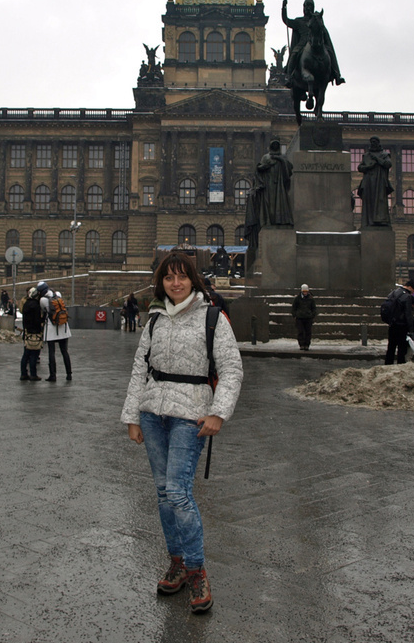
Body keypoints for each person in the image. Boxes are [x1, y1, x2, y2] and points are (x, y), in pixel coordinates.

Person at [121, 252, 243, 614]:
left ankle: (196, 568)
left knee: (178, 491)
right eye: (169, 278)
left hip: (190, 414)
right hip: (152, 414)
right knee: (162, 494)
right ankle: (176, 561)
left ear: (193, 280)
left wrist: (218, 413)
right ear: (162, 283)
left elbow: (232, 369)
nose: (176, 283)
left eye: (182, 277)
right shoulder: (154, 319)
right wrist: (132, 416)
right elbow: (138, 369)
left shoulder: (212, 317)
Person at [282, 0, 344, 90]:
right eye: (306, 6)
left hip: (317, 44)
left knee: (330, 52)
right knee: (294, 54)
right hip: (302, 44)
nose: (307, 8)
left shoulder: (317, 20)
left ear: (313, 7)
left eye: (310, 6)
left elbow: (324, 34)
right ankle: (289, 77)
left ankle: (337, 75)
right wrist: (284, 7)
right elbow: (286, 20)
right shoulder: (299, 21)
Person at [38, 281, 72, 381]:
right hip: (63, 327)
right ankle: (69, 374)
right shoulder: (58, 295)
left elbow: (44, 311)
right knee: (64, 351)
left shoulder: (43, 300)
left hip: (52, 329)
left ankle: (53, 375)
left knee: (51, 353)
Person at [357, 137, 394, 227]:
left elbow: (388, 164)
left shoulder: (385, 154)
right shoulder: (366, 155)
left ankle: (381, 221)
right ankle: (368, 222)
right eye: (371, 142)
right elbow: (360, 167)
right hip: (368, 181)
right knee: (368, 201)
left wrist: (378, 160)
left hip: (379, 182)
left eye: (375, 142)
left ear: (378, 143)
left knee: (380, 201)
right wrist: (368, 167)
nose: (373, 143)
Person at [385, 279, 414, 365]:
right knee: (401, 348)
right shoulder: (407, 296)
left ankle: (388, 365)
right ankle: (400, 366)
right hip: (402, 325)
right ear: (411, 287)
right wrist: (411, 328)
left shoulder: (393, 293)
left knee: (391, 347)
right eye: (413, 290)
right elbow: (408, 313)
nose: (413, 292)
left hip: (392, 324)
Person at [20, 287, 44, 381]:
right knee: (34, 353)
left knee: (26, 354)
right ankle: (33, 374)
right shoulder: (36, 305)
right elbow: (37, 320)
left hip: (27, 331)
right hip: (35, 332)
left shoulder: (26, 304)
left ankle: (23, 373)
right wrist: (43, 319)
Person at [291, 283, 316, 350]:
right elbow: (294, 307)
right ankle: (301, 344)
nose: (305, 293)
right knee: (300, 332)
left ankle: (307, 344)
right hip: (299, 318)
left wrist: (312, 315)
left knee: (308, 332)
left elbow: (314, 308)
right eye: (304, 291)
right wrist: (295, 315)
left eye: (306, 291)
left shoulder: (311, 299)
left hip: (308, 318)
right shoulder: (297, 299)